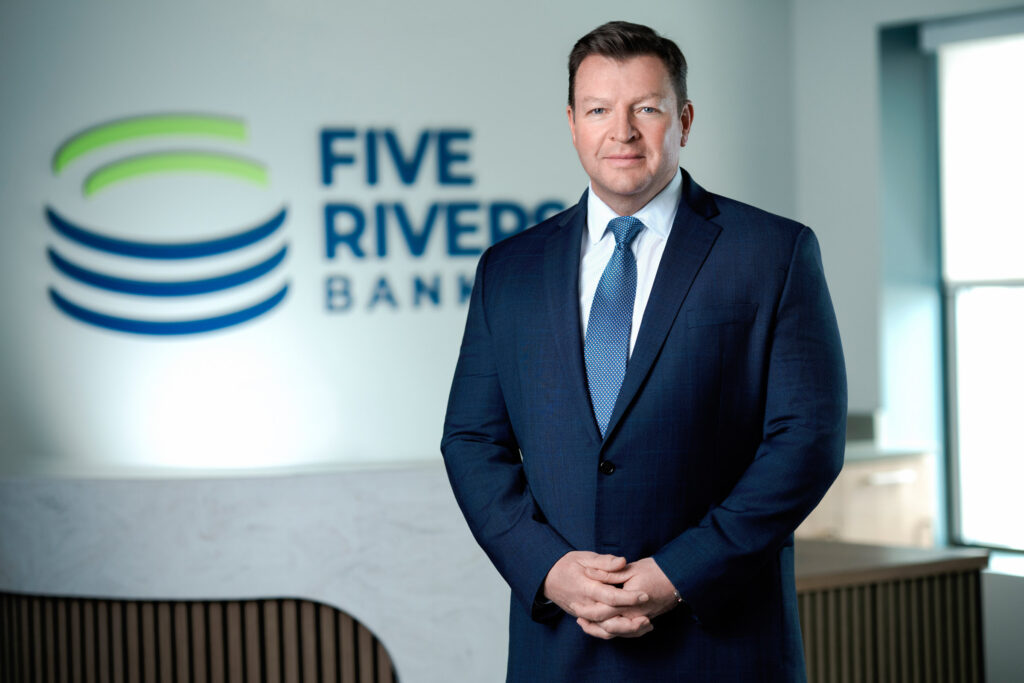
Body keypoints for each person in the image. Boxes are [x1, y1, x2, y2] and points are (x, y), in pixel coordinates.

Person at [441, 20, 846, 682]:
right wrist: (546, 566)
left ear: (683, 119)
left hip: (720, 641)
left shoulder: (772, 253)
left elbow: (807, 440)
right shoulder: (508, 270)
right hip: (561, 645)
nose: (622, 131)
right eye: (599, 109)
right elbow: (470, 439)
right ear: (572, 122)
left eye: (646, 109)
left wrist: (678, 573)